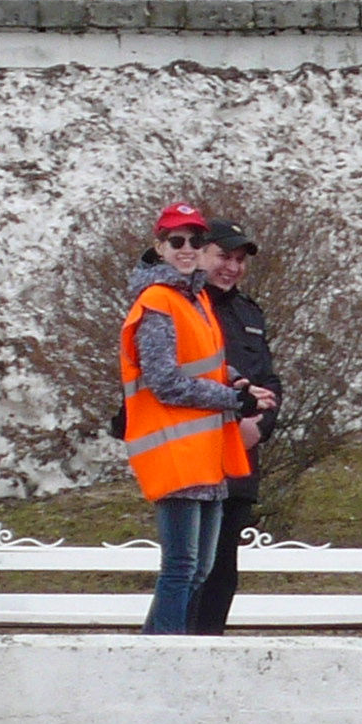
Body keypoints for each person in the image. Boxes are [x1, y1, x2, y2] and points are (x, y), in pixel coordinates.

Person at [119, 203, 274, 635]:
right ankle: (161, 658)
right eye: (176, 241)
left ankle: (162, 652)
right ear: (159, 246)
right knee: (182, 568)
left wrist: (240, 385)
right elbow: (166, 380)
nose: (187, 249)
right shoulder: (157, 302)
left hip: (205, 452)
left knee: (200, 569)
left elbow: (208, 364)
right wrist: (232, 398)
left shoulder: (196, 299)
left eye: (194, 241)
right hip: (173, 449)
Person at [183, 220, 284, 637]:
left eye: (240, 260)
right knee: (189, 570)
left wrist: (259, 426)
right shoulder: (182, 307)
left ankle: (209, 658)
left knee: (223, 570)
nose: (232, 267)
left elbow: (270, 382)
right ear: (202, 255)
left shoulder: (249, 312)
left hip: (239, 463)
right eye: (225, 256)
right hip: (193, 459)